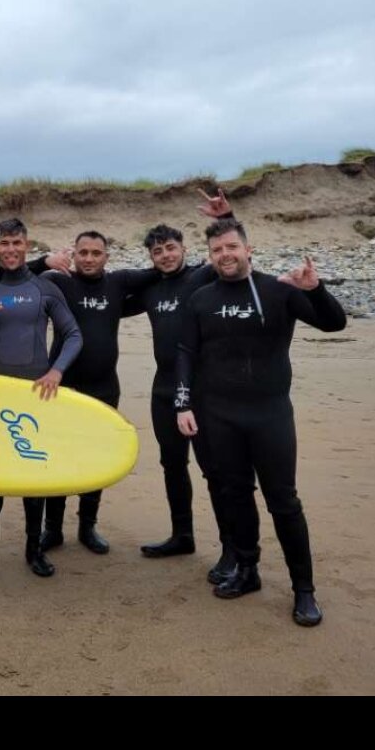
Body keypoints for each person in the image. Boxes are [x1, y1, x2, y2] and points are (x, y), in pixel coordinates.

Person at [174, 217, 347, 626]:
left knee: (283, 501)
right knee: (235, 493)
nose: (225, 255)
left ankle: (304, 590)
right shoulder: (201, 299)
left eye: (231, 247)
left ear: (248, 249)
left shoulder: (278, 291)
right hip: (220, 416)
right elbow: (185, 353)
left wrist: (315, 290)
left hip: (270, 414)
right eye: (217, 250)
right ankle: (247, 570)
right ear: (210, 256)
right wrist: (184, 404)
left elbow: (334, 323)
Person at [0, 218, 83, 580]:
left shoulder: (45, 288)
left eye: (17, 243)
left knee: (33, 472)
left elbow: (73, 334)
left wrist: (56, 371)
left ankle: (33, 549)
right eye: (4, 243)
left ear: (27, 245)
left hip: (37, 396)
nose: (11, 249)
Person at [125, 191, 237, 575]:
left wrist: (228, 215)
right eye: (157, 252)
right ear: (151, 257)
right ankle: (182, 535)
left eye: (171, 248)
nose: (165, 256)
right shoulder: (150, 288)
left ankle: (230, 549)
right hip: (163, 390)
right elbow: (104, 302)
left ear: (184, 248)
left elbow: (231, 254)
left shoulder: (201, 276)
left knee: (213, 469)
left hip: (199, 391)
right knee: (172, 463)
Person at [27, 229, 150, 556]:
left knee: (96, 458)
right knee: (58, 457)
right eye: (83, 252)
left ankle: (87, 526)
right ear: (75, 254)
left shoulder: (119, 283)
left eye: (96, 253)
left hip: (104, 388)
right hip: (61, 387)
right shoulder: (60, 283)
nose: (90, 258)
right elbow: (16, 275)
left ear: (106, 257)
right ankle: (52, 529)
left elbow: (166, 274)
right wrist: (45, 260)